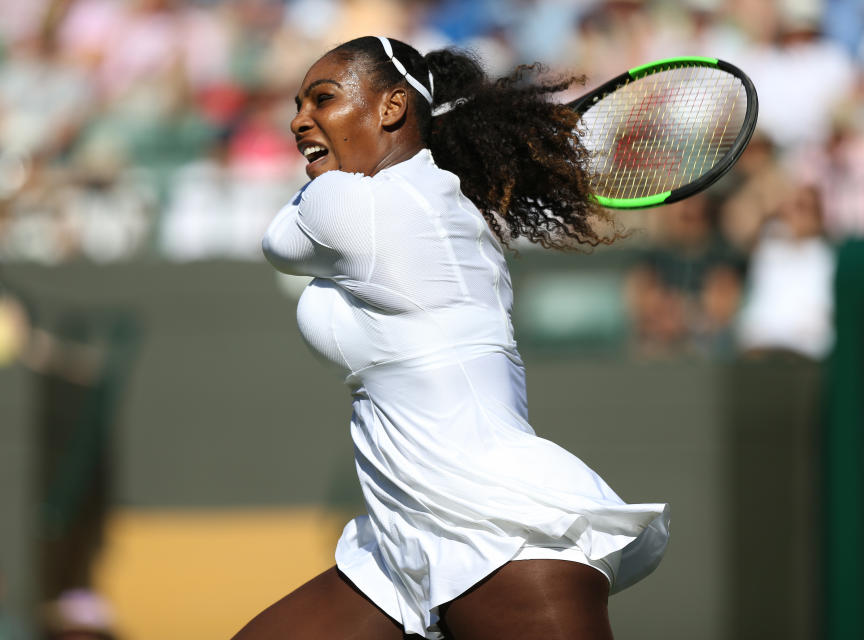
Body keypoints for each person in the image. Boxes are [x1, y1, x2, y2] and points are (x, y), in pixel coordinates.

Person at [246, 36, 669, 640]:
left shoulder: (351, 203)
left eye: (324, 99)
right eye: (299, 103)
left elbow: (279, 242)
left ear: (391, 109)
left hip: (498, 531)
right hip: (399, 542)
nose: (298, 119)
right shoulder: (437, 199)